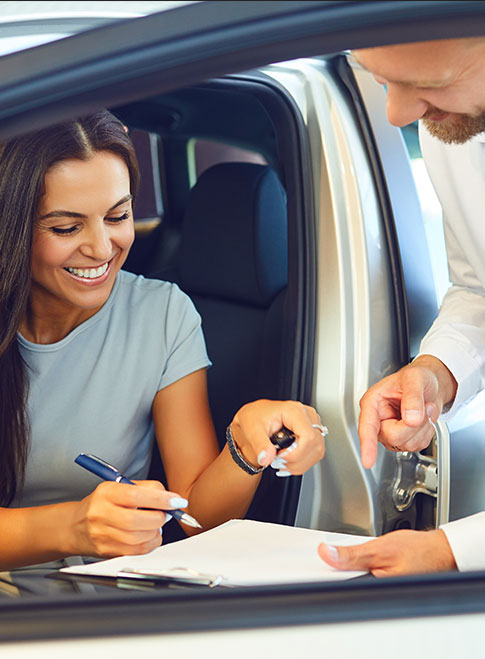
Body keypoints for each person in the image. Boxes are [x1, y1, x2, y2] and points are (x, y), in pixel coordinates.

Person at [0, 110, 326, 572]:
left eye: (118, 216)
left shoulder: (163, 315)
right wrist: (70, 527)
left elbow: (194, 518)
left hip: (103, 604)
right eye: (66, 228)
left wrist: (244, 445)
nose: (101, 247)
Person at [319, 38, 485, 576]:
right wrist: (436, 373)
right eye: (383, 81)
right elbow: (480, 288)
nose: (396, 115)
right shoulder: (453, 123)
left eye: (427, 83)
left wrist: (452, 552)